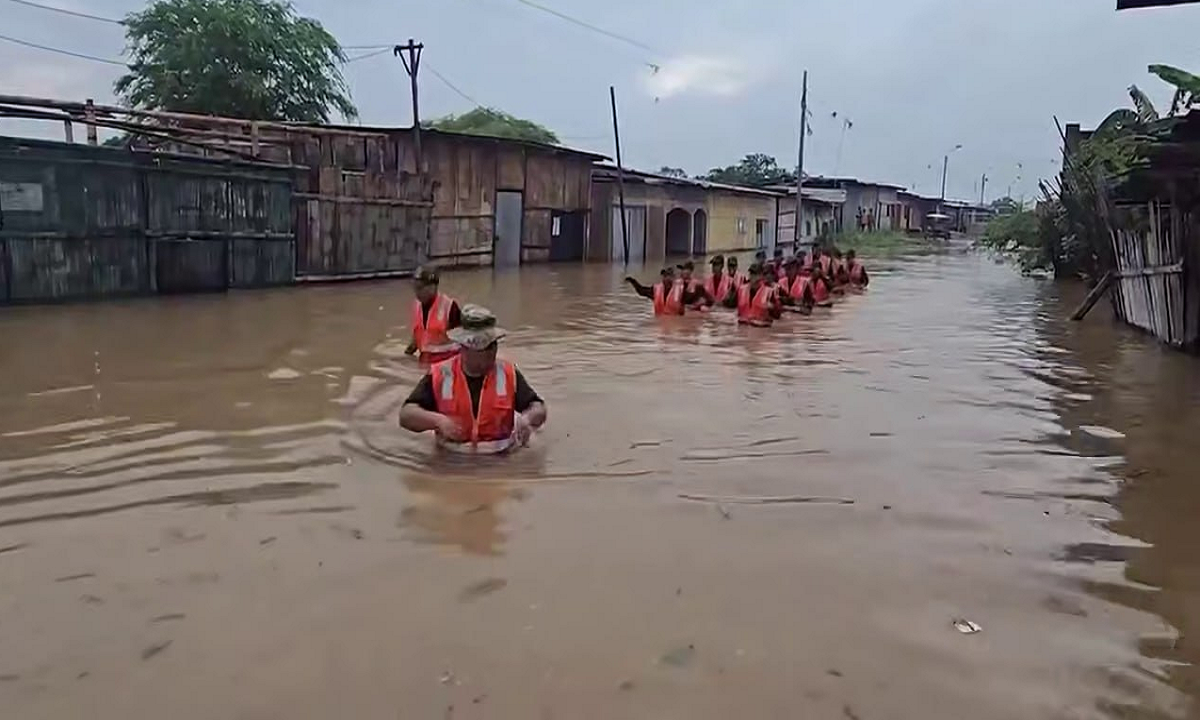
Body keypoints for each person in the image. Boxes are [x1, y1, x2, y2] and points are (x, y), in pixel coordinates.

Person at [399, 305, 547, 454]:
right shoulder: (441, 374)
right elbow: (406, 415)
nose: (492, 352)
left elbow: (538, 407)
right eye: (485, 347)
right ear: (464, 348)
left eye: (493, 345)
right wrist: (438, 421)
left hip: (500, 459)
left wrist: (527, 419)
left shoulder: (508, 373)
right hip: (451, 460)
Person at [405, 266, 462, 364]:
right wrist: (405, 357)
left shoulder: (449, 307)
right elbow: (416, 338)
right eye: (415, 288)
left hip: (445, 362)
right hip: (425, 360)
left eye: (420, 288)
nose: (417, 293)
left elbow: (462, 341)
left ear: (433, 287)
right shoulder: (417, 305)